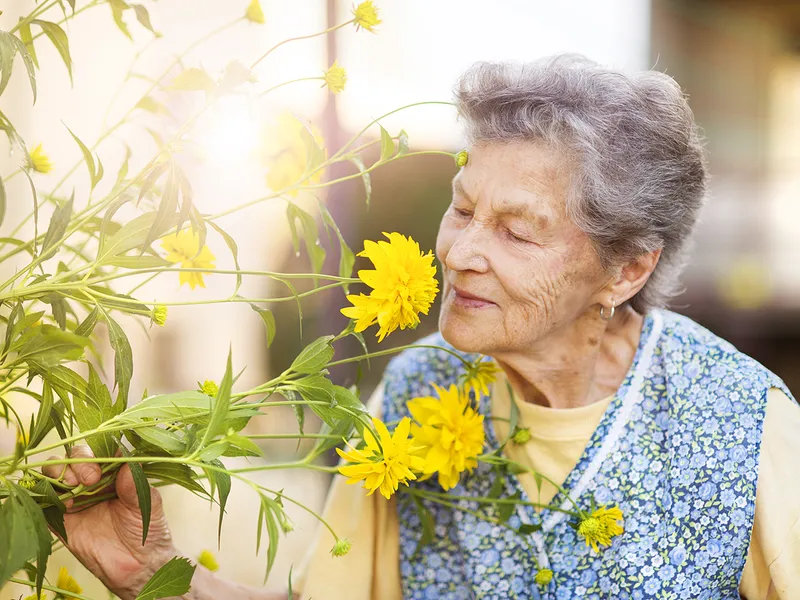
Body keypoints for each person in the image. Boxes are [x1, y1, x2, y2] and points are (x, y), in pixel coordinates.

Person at [47, 55, 800, 600]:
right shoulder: (415, 388)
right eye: (463, 208)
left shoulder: (741, 421)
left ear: (627, 269)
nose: (461, 253)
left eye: (518, 231)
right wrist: (152, 575)